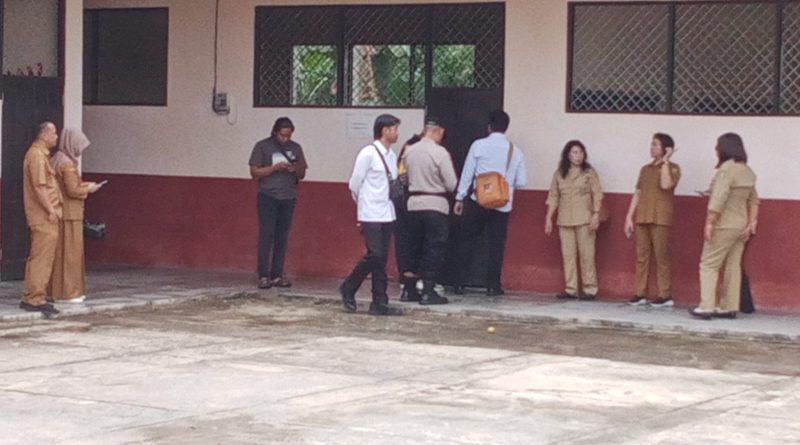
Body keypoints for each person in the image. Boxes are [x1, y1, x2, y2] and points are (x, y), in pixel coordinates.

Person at [453, 110, 527, 296]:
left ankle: (459, 282)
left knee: (468, 240)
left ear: (489, 127)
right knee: (496, 245)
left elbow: (468, 172)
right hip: (502, 204)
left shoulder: (478, 146)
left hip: (478, 200)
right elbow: (521, 182)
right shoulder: (516, 152)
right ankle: (493, 285)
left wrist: (460, 197)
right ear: (506, 128)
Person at [339, 114, 404, 316]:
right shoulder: (368, 153)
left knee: (381, 258)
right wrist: (363, 204)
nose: (397, 133)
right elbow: (355, 183)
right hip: (370, 212)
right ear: (384, 130)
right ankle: (349, 286)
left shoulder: (392, 155)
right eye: (394, 129)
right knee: (375, 254)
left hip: (387, 211)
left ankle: (379, 301)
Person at [690, 133, 758, 320]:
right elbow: (754, 201)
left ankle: (706, 306)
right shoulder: (747, 171)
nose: (716, 149)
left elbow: (719, 198)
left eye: (718, 146)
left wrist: (710, 222)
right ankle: (729, 306)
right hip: (741, 224)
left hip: (723, 224)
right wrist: (751, 223)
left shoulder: (726, 170)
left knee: (708, 263)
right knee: (733, 265)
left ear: (725, 149)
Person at [399, 117, 458, 305]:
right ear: (438, 131)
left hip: (413, 204)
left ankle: (408, 290)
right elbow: (451, 183)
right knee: (433, 248)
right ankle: (428, 290)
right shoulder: (440, 153)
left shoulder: (409, 151)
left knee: (412, 248)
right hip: (435, 205)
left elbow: (403, 179)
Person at [249, 117, 308, 289]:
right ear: (275, 132)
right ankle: (263, 275)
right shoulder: (262, 146)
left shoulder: (295, 148)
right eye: (282, 135)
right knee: (266, 235)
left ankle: (277, 275)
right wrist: (274, 168)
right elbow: (254, 172)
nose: (285, 139)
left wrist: (294, 168)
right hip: (268, 196)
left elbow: (302, 173)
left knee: (282, 237)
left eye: (288, 136)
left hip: (288, 197)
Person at [624, 133, 681, 307]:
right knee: (641, 256)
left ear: (666, 148)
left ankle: (665, 294)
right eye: (652, 144)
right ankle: (639, 293)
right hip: (643, 216)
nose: (652, 148)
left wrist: (666, 160)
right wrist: (629, 216)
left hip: (660, 217)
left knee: (661, 256)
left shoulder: (673, 168)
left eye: (656, 144)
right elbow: (638, 193)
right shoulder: (645, 169)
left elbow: (666, 185)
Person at [50, 128, 104, 303]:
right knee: (70, 255)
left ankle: (54, 290)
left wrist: (83, 185)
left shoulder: (56, 159)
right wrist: (89, 189)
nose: (80, 151)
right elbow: (72, 190)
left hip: (60, 211)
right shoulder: (67, 164)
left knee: (59, 254)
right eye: (78, 146)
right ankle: (69, 292)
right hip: (70, 214)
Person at [545, 140, 603, 300]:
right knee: (568, 255)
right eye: (574, 153)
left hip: (585, 218)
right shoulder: (559, 173)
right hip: (564, 219)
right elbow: (553, 197)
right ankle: (571, 288)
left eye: (581, 152)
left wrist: (596, 214)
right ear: (568, 155)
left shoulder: (589, 172)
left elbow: (597, 194)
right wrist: (549, 218)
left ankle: (590, 288)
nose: (578, 156)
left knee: (587, 255)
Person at [20, 122, 62, 316]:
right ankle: (34, 298)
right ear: (44, 134)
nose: (56, 137)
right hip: (43, 216)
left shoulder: (40, 155)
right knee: (41, 258)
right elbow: (39, 187)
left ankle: (36, 294)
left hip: (44, 215)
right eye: (54, 133)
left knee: (42, 257)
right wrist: (51, 209)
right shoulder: (36, 156)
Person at [395, 131, 423, 302]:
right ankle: (408, 280)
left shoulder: (407, 151)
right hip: (405, 204)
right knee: (406, 243)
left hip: (410, 204)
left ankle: (410, 279)